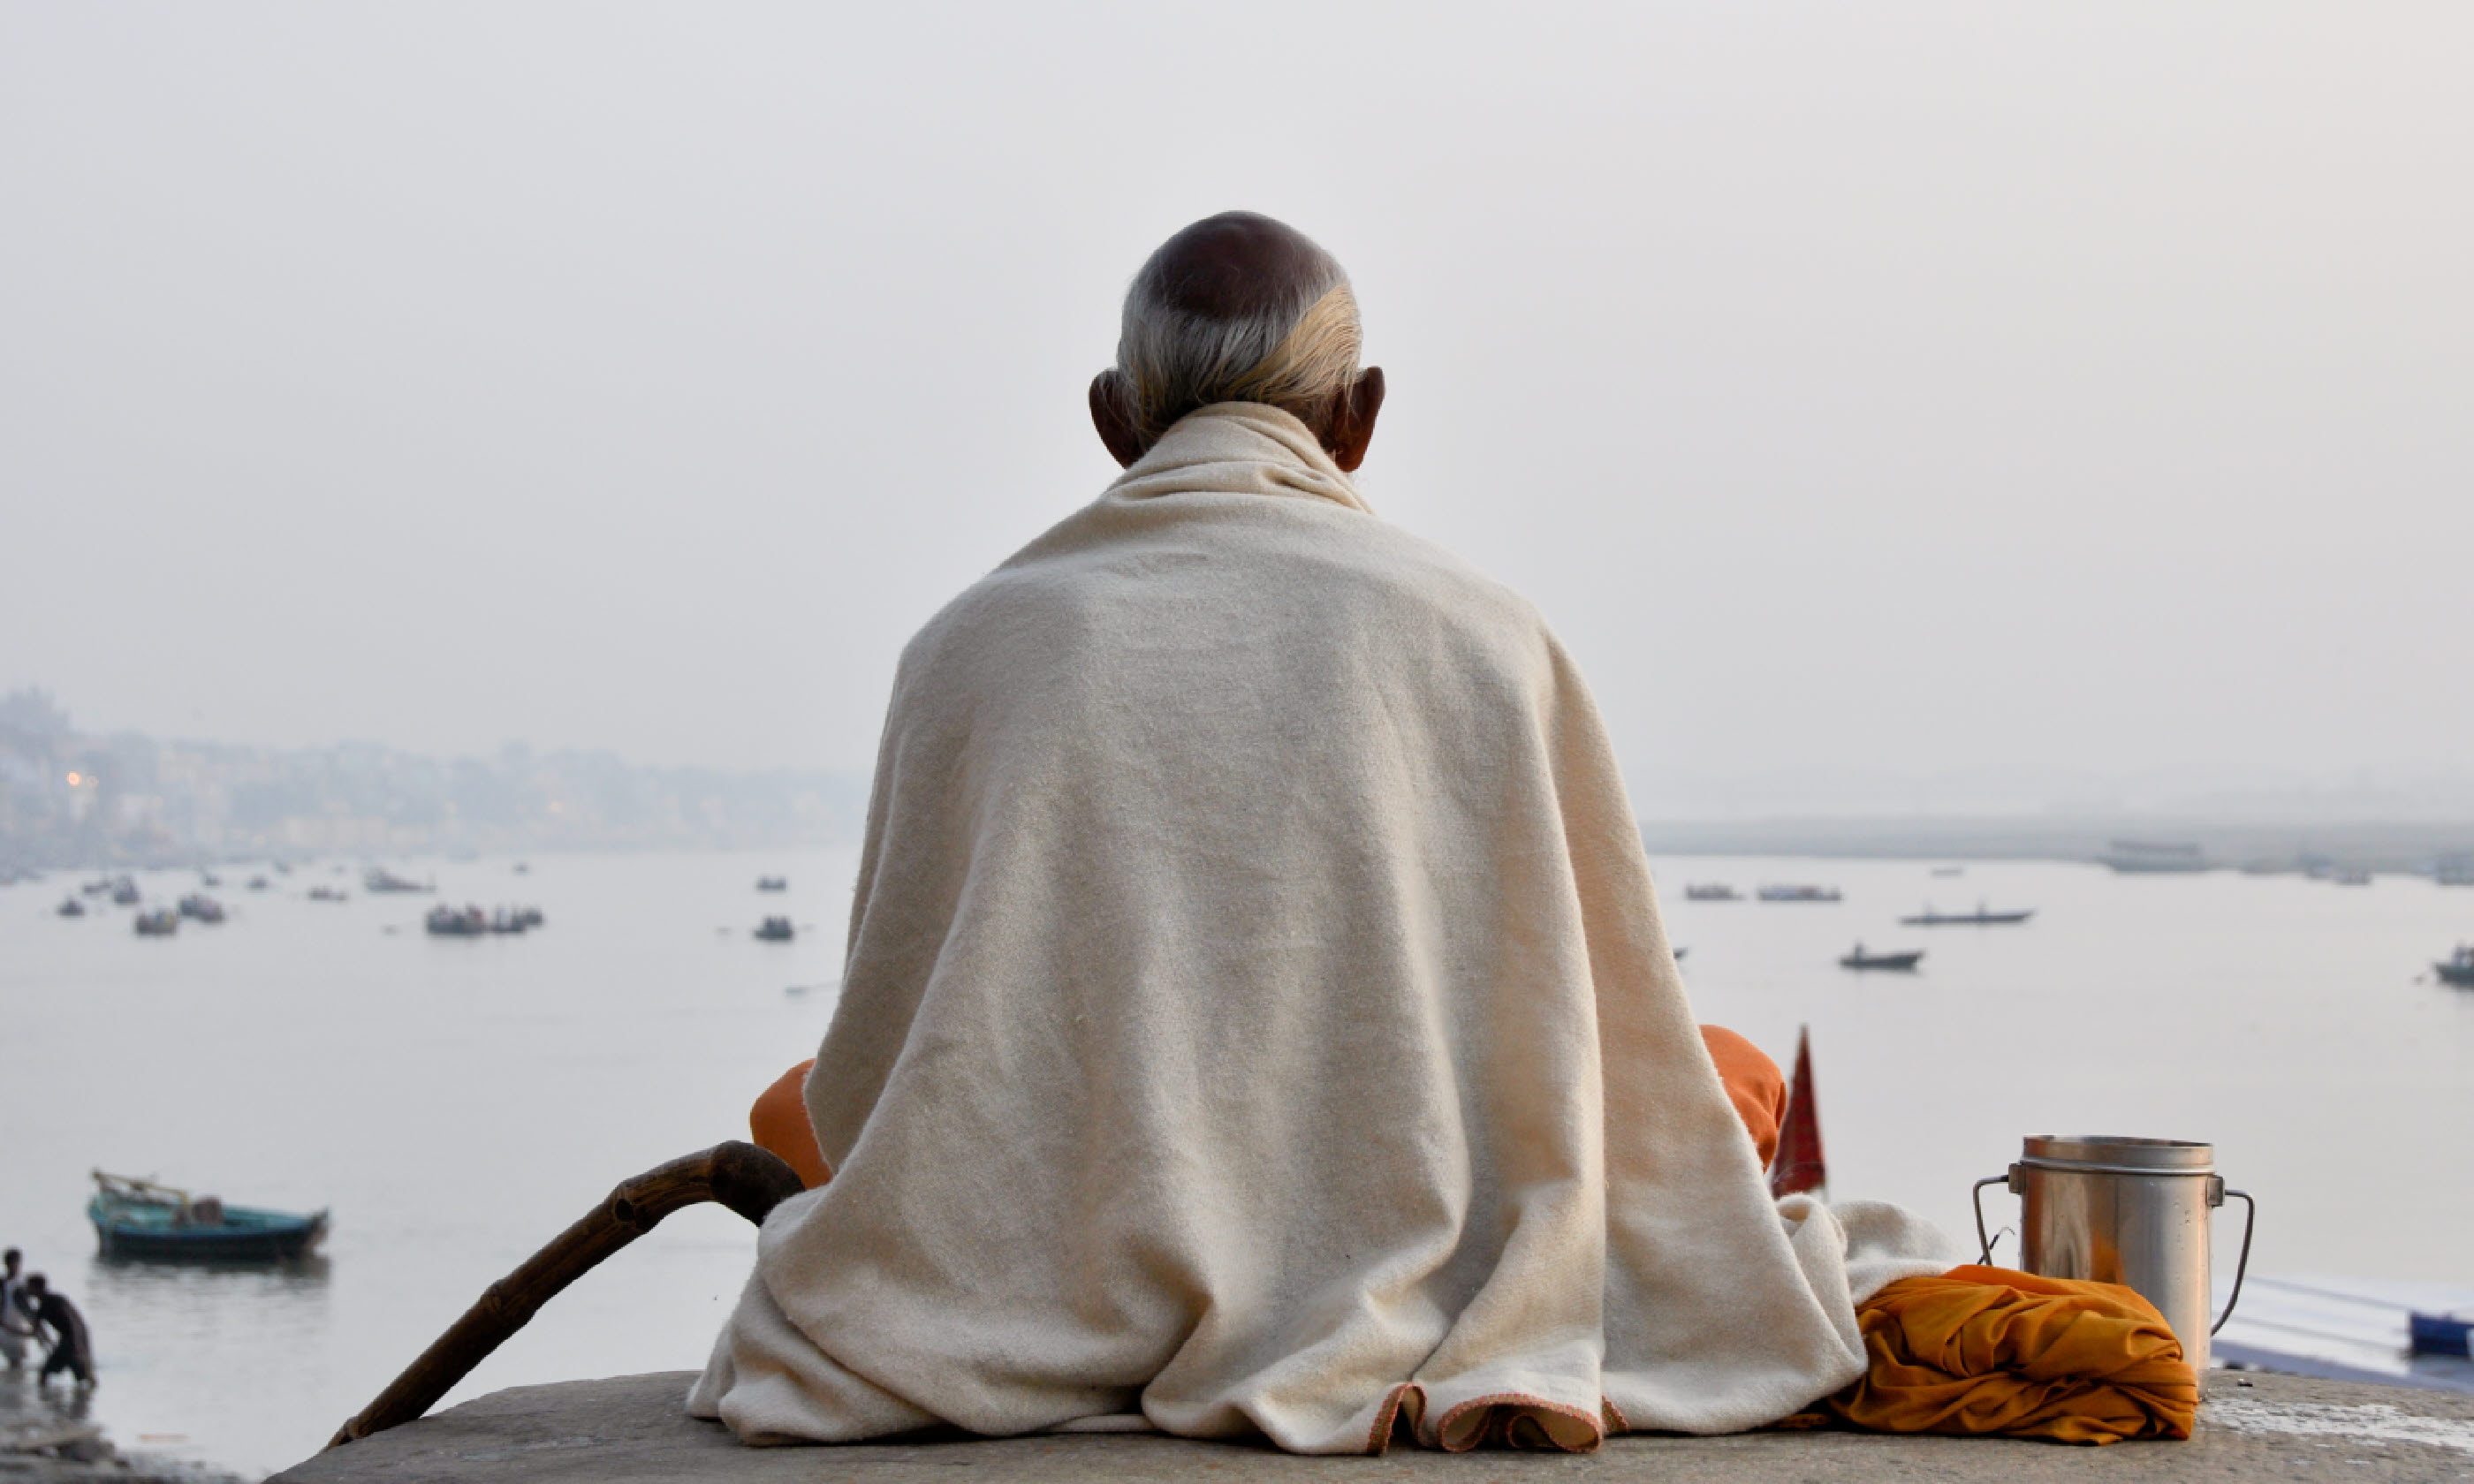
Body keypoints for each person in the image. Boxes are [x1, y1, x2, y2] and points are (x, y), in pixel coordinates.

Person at [695, 212, 1954, 1454]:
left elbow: (884, 1065)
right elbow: (1585, 1033)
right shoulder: (1485, 635)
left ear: (1115, 420)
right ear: (1358, 419)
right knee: (1718, 1072)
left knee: (795, 1108)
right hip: (1420, 1241)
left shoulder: (968, 648)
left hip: (1040, 1261)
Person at [21, 1275, 94, 1388]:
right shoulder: (53, 1300)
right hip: (74, 1338)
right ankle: (83, 1399)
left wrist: (77, 1343)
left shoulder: (50, 1302)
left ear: (36, 1288)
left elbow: (73, 1322)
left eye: (28, 1286)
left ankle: (46, 1400)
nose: (26, 1289)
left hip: (71, 1340)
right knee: (81, 1375)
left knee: (46, 1372)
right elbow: (35, 1331)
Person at [1, 1248, 34, 1370]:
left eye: (16, 1263)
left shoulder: (23, 1283)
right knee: (11, 1359)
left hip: (19, 1325)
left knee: (16, 1362)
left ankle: (15, 1383)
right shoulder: (3, 1282)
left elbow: (28, 1307)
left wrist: (34, 1324)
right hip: (4, 1324)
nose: (15, 1266)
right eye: (12, 1263)